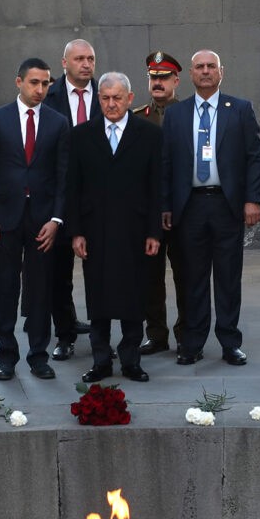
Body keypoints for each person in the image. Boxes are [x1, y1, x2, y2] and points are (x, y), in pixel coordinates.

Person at [162, 50, 260, 366]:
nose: (205, 71)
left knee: (227, 277)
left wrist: (252, 199)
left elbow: (253, 157)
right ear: (191, 74)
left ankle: (230, 342)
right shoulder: (176, 114)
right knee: (192, 277)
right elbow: (166, 163)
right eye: (200, 67)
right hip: (189, 206)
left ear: (222, 71)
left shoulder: (240, 110)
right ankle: (191, 343)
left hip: (227, 205)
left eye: (211, 66)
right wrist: (165, 204)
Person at [67, 72, 162, 383]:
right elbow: (73, 187)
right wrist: (76, 231)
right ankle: (100, 361)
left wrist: (154, 232)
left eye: (117, 98)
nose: (111, 104)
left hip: (135, 231)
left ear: (129, 99)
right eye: (105, 98)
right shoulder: (82, 135)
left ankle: (131, 360)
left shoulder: (148, 134)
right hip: (95, 232)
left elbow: (156, 187)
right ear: (99, 100)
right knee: (99, 298)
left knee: (134, 296)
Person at [0, 57, 70, 381]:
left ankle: (38, 356)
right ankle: (6, 357)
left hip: (43, 221)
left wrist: (57, 220)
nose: (41, 89)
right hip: (5, 219)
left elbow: (63, 176)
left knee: (40, 290)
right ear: (19, 82)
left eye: (46, 83)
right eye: (34, 82)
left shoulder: (58, 123)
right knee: (5, 289)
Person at [43, 39, 100, 361]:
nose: (86, 64)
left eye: (90, 58)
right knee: (58, 274)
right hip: (60, 198)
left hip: (97, 200)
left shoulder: (106, 94)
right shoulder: (48, 98)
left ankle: (102, 337)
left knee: (101, 271)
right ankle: (64, 335)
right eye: (79, 59)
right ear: (64, 63)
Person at [132, 51, 186, 355]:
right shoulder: (138, 118)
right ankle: (155, 334)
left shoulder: (189, 114)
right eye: (153, 77)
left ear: (176, 81)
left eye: (164, 78)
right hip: (149, 212)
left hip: (181, 209)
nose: (158, 83)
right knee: (150, 278)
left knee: (185, 276)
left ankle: (185, 334)